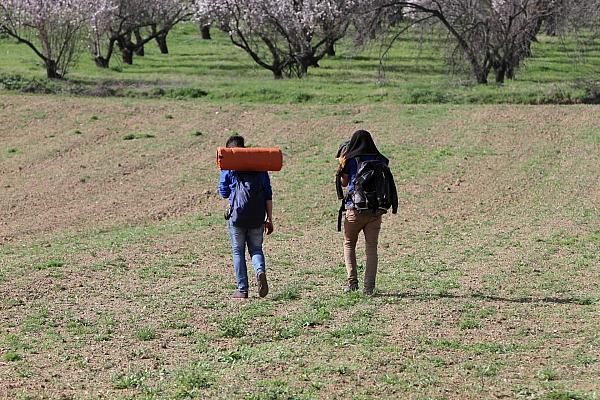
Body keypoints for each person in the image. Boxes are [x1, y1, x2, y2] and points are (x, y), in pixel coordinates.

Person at [337, 130, 394, 295]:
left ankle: (352, 281)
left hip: (355, 209)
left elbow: (343, 182)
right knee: (371, 248)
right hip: (376, 210)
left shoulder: (350, 159)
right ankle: (369, 288)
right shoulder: (381, 159)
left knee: (349, 244)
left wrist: (341, 165)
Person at [219, 135, 274, 299]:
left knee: (238, 252)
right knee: (256, 249)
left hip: (237, 217)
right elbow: (268, 194)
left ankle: (242, 290)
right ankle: (260, 271)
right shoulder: (260, 166)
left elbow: (223, 192)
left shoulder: (229, 168)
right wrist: (269, 219)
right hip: (257, 216)